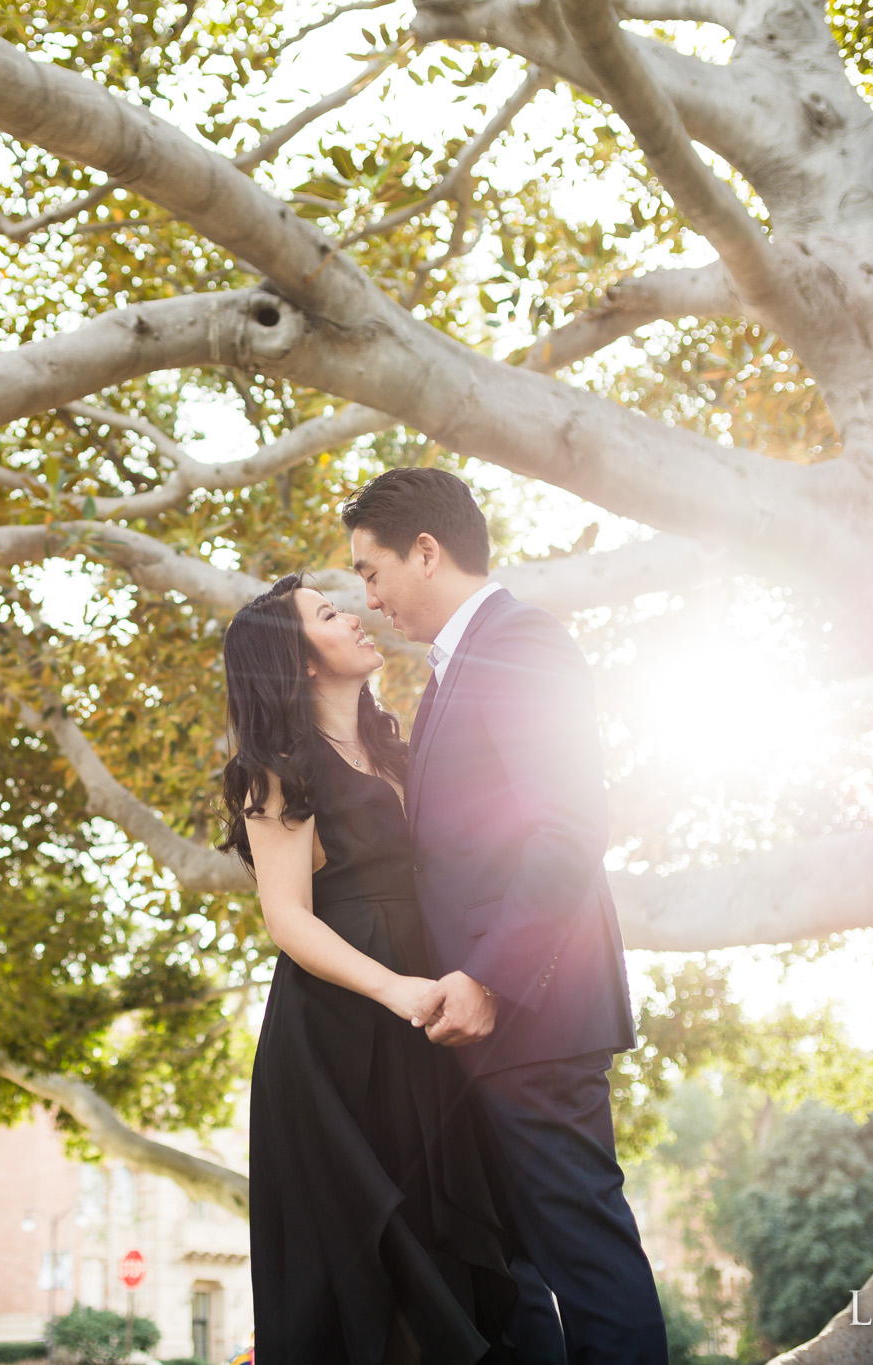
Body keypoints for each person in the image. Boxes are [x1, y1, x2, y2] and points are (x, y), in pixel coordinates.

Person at [342, 466, 664, 1365]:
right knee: (513, 1268)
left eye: (371, 572)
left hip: (535, 1012)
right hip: (478, 1026)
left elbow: (569, 828)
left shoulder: (521, 642)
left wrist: (489, 977)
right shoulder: (450, 672)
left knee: (584, 1258)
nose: (370, 597)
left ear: (428, 551)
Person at [220, 573, 519, 1365]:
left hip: (426, 1022)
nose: (352, 615)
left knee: (447, 1243)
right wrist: (397, 989)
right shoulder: (274, 768)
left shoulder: (397, 745)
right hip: (341, 1042)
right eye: (326, 614)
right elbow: (286, 916)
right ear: (300, 663)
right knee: (375, 1265)